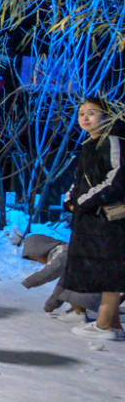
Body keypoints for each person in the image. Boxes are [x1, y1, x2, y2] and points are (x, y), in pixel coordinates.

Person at [62, 96, 125, 345]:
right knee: (104, 271)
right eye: (81, 114)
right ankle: (113, 324)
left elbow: (116, 178)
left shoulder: (113, 140)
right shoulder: (91, 143)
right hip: (93, 220)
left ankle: (104, 325)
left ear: (107, 115)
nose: (85, 118)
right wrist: (70, 199)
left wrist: (84, 201)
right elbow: (80, 181)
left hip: (109, 219)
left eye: (92, 112)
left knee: (110, 272)